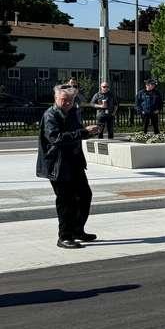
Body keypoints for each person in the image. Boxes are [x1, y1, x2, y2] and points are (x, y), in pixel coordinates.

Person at [35, 85, 100, 249]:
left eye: (71, 100)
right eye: (64, 100)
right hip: (58, 164)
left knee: (85, 195)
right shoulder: (50, 115)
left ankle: (77, 230)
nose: (68, 103)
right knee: (66, 201)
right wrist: (84, 132)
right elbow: (55, 138)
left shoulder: (72, 112)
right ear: (56, 98)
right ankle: (64, 236)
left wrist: (89, 131)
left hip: (74, 162)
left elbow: (76, 132)